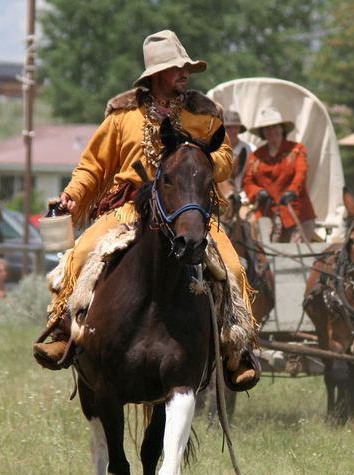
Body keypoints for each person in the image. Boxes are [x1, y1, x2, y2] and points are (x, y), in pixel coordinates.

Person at [33, 30, 258, 389]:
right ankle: (64, 332)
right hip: (129, 209)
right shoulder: (123, 115)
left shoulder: (203, 113)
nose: (184, 73)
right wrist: (73, 195)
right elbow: (93, 165)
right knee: (80, 255)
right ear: (156, 74)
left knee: (231, 265)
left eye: (186, 67)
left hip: (189, 209)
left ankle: (236, 350)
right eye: (176, 68)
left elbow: (226, 159)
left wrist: (198, 159)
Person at [242, 106, 316, 242]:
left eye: (275, 127)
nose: (272, 131)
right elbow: (248, 181)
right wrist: (258, 192)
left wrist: (292, 191)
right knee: (255, 244)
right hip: (266, 213)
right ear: (263, 133)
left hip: (296, 211)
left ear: (282, 129)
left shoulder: (297, 150)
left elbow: (301, 173)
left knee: (298, 254)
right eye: (267, 128)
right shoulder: (256, 156)